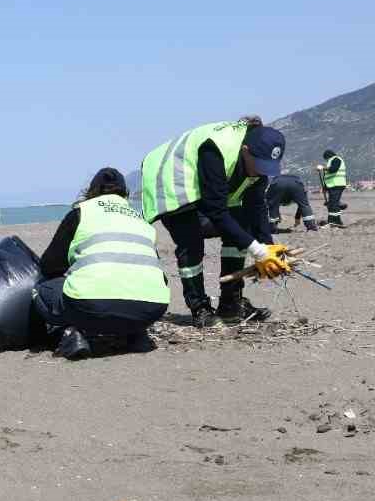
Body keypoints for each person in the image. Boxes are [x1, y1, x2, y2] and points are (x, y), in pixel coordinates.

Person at [139, 115, 293, 327]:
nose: (261, 171)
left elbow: (256, 208)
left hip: (205, 187)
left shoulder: (257, 160)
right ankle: (199, 308)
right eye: (259, 165)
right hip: (173, 181)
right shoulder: (217, 149)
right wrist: (257, 250)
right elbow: (217, 212)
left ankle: (231, 304)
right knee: (190, 240)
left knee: (242, 226)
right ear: (246, 150)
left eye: (267, 167)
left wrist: (269, 247)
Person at [33, 168, 170, 360]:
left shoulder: (81, 213)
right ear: (125, 194)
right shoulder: (141, 220)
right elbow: (157, 273)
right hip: (151, 308)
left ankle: (69, 334)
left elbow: (49, 265)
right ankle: (135, 334)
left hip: (94, 306)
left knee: (42, 289)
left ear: (91, 191)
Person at [318, 148, 349, 228]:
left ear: (328, 156)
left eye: (326, 158)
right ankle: (338, 221)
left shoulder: (336, 159)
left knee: (333, 204)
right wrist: (324, 187)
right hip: (332, 185)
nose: (326, 160)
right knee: (333, 203)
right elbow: (327, 177)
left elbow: (333, 170)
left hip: (337, 185)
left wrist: (323, 168)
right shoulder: (330, 162)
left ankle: (332, 222)